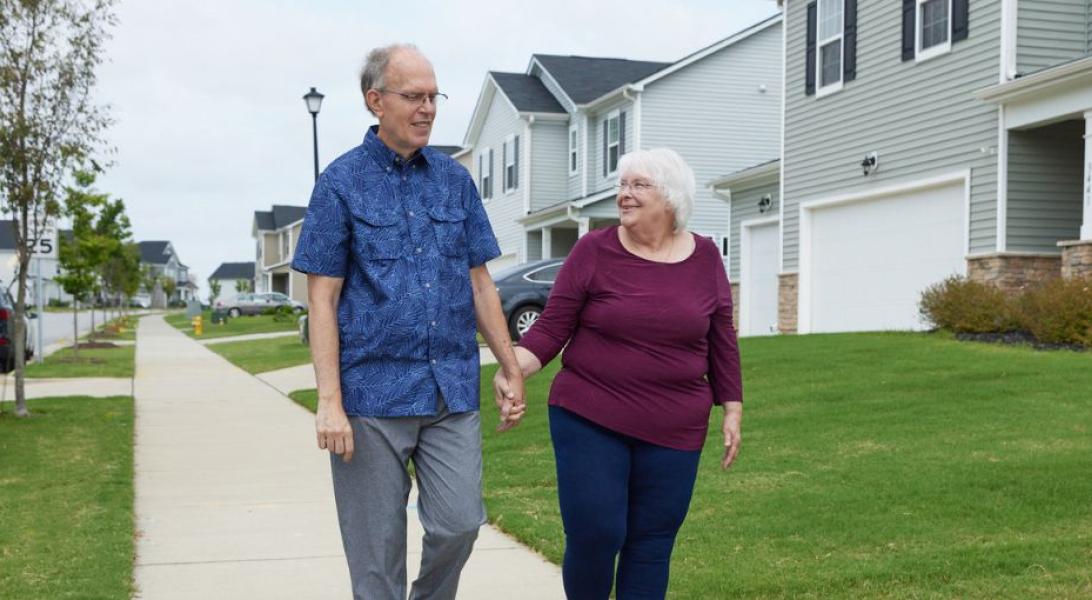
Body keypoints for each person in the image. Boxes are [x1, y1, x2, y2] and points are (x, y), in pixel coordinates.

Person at [291, 43, 526, 600]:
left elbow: (479, 283)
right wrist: (329, 400)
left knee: (459, 523)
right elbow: (321, 299)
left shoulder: (454, 181)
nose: (428, 108)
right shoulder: (340, 184)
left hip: (449, 391)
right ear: (376, 101)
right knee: (376, 557)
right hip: (370, 397)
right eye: (414, 96)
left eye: (434, 96)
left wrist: (510, 365)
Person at [497, 147, 743, 599]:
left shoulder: (706, 257)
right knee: (597, 533)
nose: (624, 195)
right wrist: (515, 370)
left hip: (675, 425)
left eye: (637, 186)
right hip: (590, 414)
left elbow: (721, 335)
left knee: (651, 543)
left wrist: (731, 406)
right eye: (622, 186)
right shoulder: (594, 250)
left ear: (669, 198)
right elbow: (553, 326)